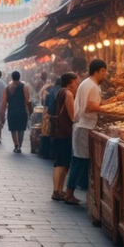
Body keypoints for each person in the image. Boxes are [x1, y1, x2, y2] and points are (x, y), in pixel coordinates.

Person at [64, 59, 106, 205]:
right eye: (104, 71)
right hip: (85, 126)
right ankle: (69, 193)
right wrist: (107, 109)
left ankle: (71, 191)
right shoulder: (93, 86)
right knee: (80, 160)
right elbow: (90, 107)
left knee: (78, 159)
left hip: (81, 125)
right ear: (98, 71)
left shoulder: (85, 83)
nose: (105, 75)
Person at [52, 72, 78, 201]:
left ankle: (59, 190)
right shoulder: (68, 94)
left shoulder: (60, 92)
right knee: (61, 163)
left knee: (62, 163)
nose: (77, 84)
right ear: (70, 82)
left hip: (59, 132)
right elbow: (73, 116)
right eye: (75, 82)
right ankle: (56, 191)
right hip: (64, 132)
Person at [1, 71, 31, 153]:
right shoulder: (24, 87)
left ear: (12, 77)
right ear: (20, 77)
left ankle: (16, 145)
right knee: (21, 129)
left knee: (13, 129)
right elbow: (28, 100)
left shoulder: (7, 88)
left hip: (11, 111)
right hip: (22, 111)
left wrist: (2, 113)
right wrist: (30, 110)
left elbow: (4, 102)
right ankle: (19, 146)